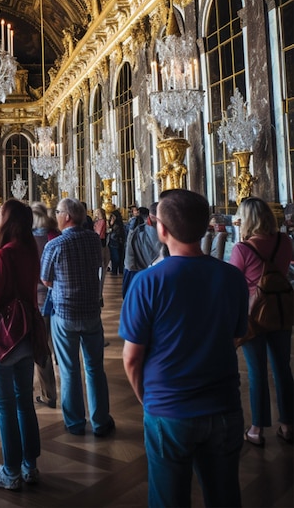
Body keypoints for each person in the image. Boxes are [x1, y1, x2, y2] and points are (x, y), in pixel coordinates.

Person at [119, 189, 249, 507]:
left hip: (168, 407)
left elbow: (132, 358)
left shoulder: (147, 282)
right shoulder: (232, 277)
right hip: (223, 404)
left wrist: (147, 398)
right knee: (225, 496)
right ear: (206, 226)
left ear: (161, 229)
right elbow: (235, 338)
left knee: (169, 500)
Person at [0, 198, 42, 491]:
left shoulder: (3, 255)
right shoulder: (31, 251)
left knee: (6, 407)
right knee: (25, 403)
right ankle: (30, 466)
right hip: (26, 333)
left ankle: (11, 471)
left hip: (1, 337)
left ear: (9, 221)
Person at [40, 198, 115, 437]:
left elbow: (46, 279)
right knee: (94, 368)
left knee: (70, 369)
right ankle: (101, 421)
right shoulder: (94, 240)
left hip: (65, 313)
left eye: (59, 212)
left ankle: (74, 422)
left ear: (68, 217)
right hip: (92, 311)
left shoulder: (55, 245)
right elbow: (100, 265)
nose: (56, 215)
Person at [229, 197, 294, 445]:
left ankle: (257, 429)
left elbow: (235, 283)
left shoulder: (243, 249)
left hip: (253, 315)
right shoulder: (285, 241)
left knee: (257, 373)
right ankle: (287, 424)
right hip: (280, 309)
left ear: (247, 220)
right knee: (283, 369)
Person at [31, 201, 58, 409]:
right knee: (50, 345)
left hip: (36, 299)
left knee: (39, 348)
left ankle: (48, 393)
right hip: (58, 298)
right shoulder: (56, 236)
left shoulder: (29, 240)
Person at [122, 204, 164, 298]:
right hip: (154, 272)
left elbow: (130, 251)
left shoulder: (140, 229)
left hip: (142, 272)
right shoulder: (142, 229)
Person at [93, 207, 110, 303]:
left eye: (97, 212)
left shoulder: (102, 221)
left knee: (101, 270)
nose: (96, 214)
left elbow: (99, 233)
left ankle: (99, 295)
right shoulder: (96, 221)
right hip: (98, 243)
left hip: (101, 244)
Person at [107, 209, 126, 275]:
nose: (112, 218)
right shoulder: (111, 224)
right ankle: (114, 271)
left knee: (120, 257)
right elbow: (109, 231)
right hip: (113, 242)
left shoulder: (120, 225)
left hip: (119, 242)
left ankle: (120, 270)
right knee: (115, 258)